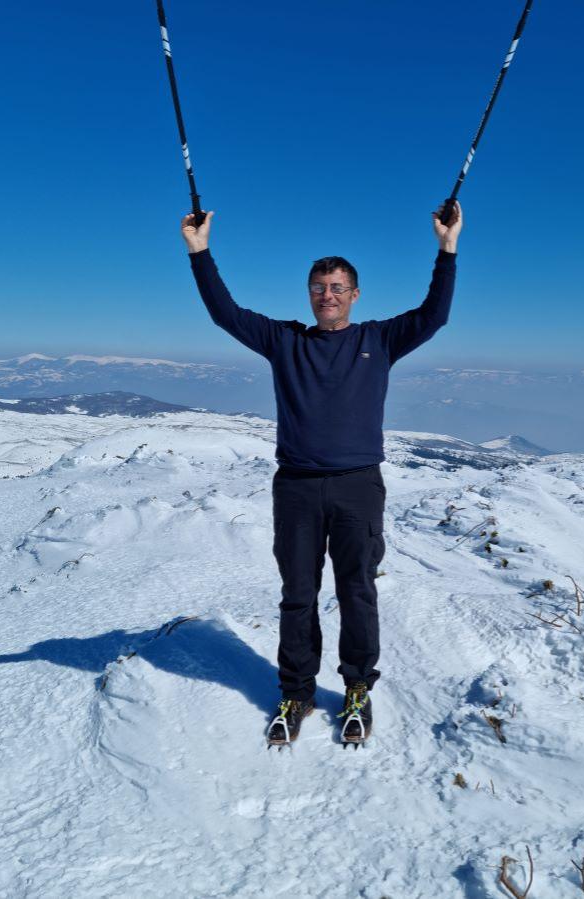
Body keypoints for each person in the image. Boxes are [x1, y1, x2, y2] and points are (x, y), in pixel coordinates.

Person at [181, 202, 462, 744]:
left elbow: (434, 316)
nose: (326, 295)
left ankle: (357, 688)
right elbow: (226, 314)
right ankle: (297, 692)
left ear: (354, 294)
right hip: (297, 487)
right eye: (318, 287)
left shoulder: (378, 339)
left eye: (336, 287)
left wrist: (446, 249)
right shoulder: (285, 341)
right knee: (298, 594)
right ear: (309, 294)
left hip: (358, 486)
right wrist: (200, 252)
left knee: (357, 592)